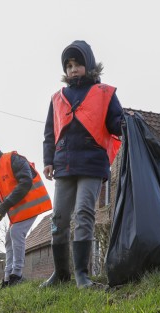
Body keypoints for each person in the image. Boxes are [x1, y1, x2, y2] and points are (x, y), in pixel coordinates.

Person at [40, 40, 124, 289]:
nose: (73, 69)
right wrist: (48, 160)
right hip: (63, 164)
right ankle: (60, 273)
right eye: (68, 65)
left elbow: (115, 122)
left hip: (92, 163)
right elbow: (49, 132)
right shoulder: (57, 98)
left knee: (85, 213)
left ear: (88, 65)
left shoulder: (104, 93)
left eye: (77, 64)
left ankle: (81, 274)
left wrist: (126, 123)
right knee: (59, 218)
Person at [0, 138, 52, 287]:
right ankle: (7, 278)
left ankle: (17, 275)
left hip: (32, 204)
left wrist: (6, 205)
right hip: (20, 211)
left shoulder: (13, 159)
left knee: (16, 233)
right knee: (9, 238)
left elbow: (26, 181)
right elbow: (1, 200)